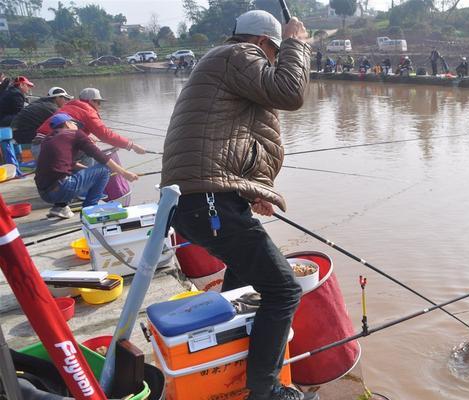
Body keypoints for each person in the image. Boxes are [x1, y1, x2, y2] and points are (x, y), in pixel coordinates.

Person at [160, 10, 317, 400]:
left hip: (205, 199)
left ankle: (227, 363)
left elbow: (228, 141)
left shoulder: (222, 63)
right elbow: (289, 92)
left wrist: (252, 190)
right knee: (283, 290)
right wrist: (297, 42)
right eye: (276, 52)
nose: (274, 60)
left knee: (243, 280)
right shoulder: (238, 55)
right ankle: (266, 391)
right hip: (207, 199)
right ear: (265, 43)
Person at [35, 113, 138, 219]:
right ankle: (89, 209)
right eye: (75, 123)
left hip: (44, 194)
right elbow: (101, 156)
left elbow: (67, 164)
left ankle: (60, 207)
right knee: (104, 169)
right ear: (67, 124)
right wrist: (125, 173)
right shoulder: (75, 134)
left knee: (80, 171)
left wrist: (90, 172)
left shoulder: (48, 140)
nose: (77, 127)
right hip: (62, 190)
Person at [34, 88, 147, 159]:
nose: (99, 105)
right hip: (49, 149)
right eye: (98, 102)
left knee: (87, 147)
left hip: (37, 146)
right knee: (92, 153)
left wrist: (87, 137)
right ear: (91, 101)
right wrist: (132, 146)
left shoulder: (70, 107)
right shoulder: (88, 111)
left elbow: (72, 131)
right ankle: (83, 190)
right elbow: (105, 135)